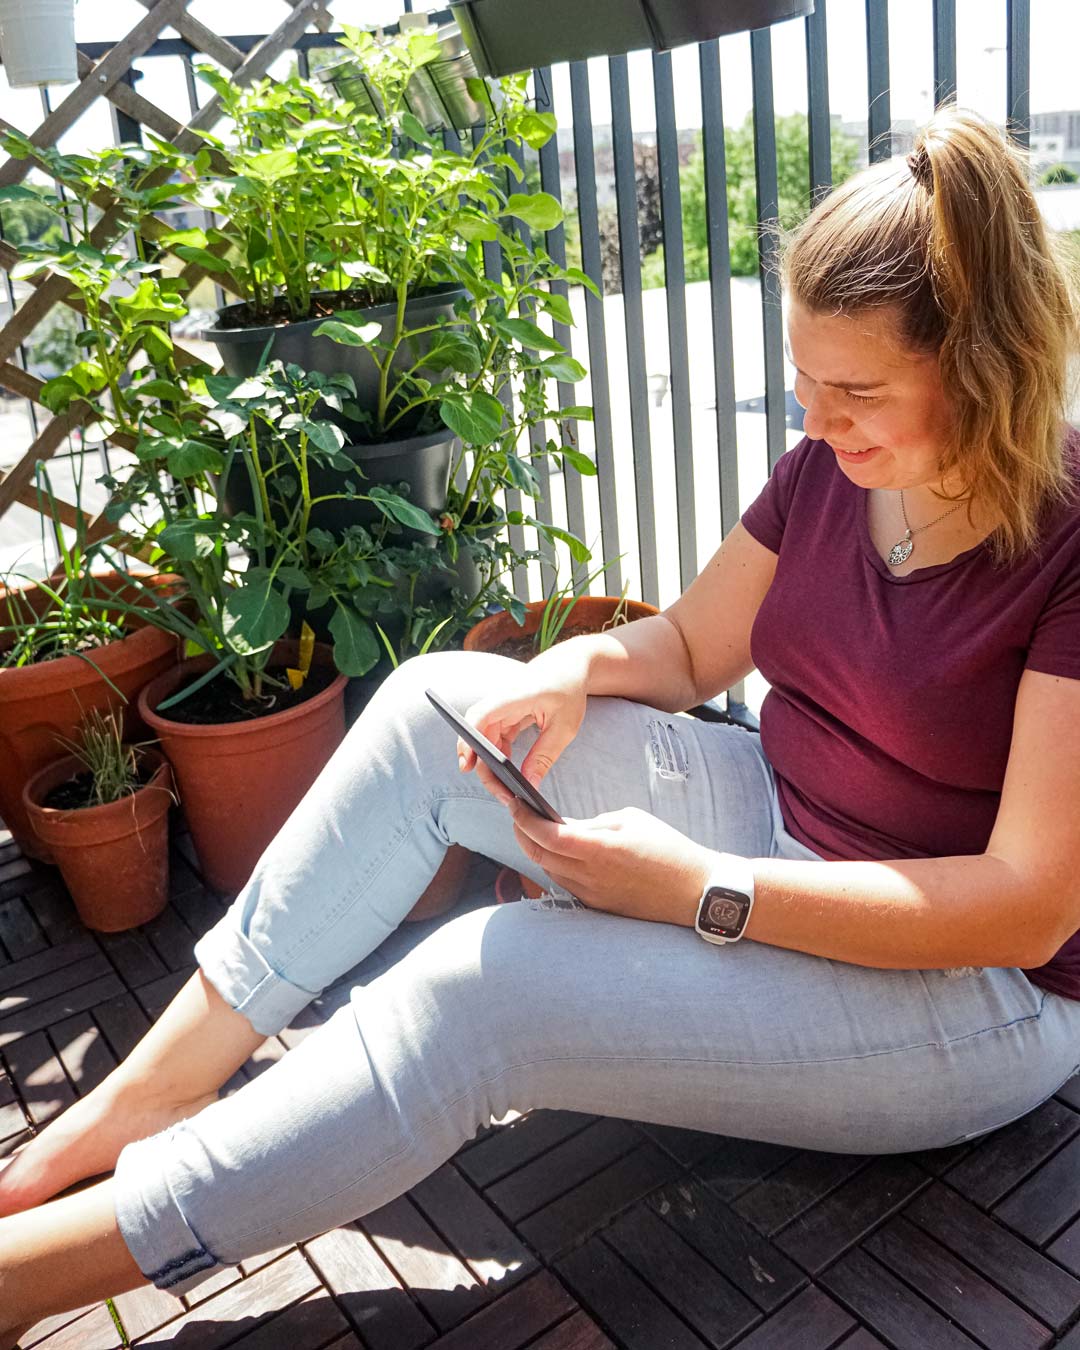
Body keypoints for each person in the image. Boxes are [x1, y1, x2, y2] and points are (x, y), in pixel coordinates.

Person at [3, 103, 1080, 1339]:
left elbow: (1028, 903)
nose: (812, 422)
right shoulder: (830, 474)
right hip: (790, 821)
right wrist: (574, 670)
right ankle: (141, 1099)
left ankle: (31, 1278)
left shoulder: (1070, 543)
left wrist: (698, 891)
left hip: (980, 991)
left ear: (985, 363)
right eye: (800, 382)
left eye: (854, 392)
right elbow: (683, 648)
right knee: (432, 709)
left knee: (485, 996)